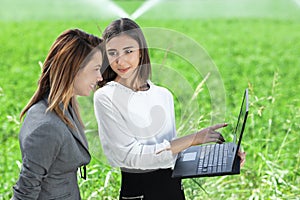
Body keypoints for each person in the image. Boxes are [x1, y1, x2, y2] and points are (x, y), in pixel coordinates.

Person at [94, 18, 246, 200]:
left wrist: (224, 157)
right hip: (140, 194)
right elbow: (129, 156)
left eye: (128, 51)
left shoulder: (162, 94)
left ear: (141, 52)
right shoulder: (106, 97)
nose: (121, 61)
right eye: (112, 53)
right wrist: (193, 139)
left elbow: (171, 153)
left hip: (174, 191)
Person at [12, 29, 104, 200]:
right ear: (74, 69)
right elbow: (25, 192)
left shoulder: (63, 107)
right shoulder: (47, 128)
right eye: (96, 69)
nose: (100, 77)